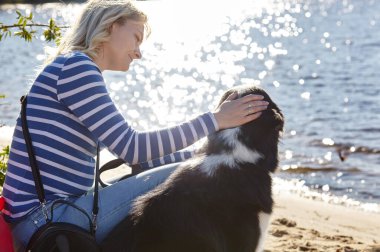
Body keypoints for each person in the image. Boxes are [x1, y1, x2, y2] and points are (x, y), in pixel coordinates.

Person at [1, 0, 269, 251]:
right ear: (111, 25)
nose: (139, 52)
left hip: (43, 217)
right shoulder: (77, 68)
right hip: (44, 221)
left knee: (193, 170)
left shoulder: (72, 69)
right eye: (137, 38)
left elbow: (137, 161)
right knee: (193, 177)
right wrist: (215, 120)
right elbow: (133, 149)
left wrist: (204, 157)